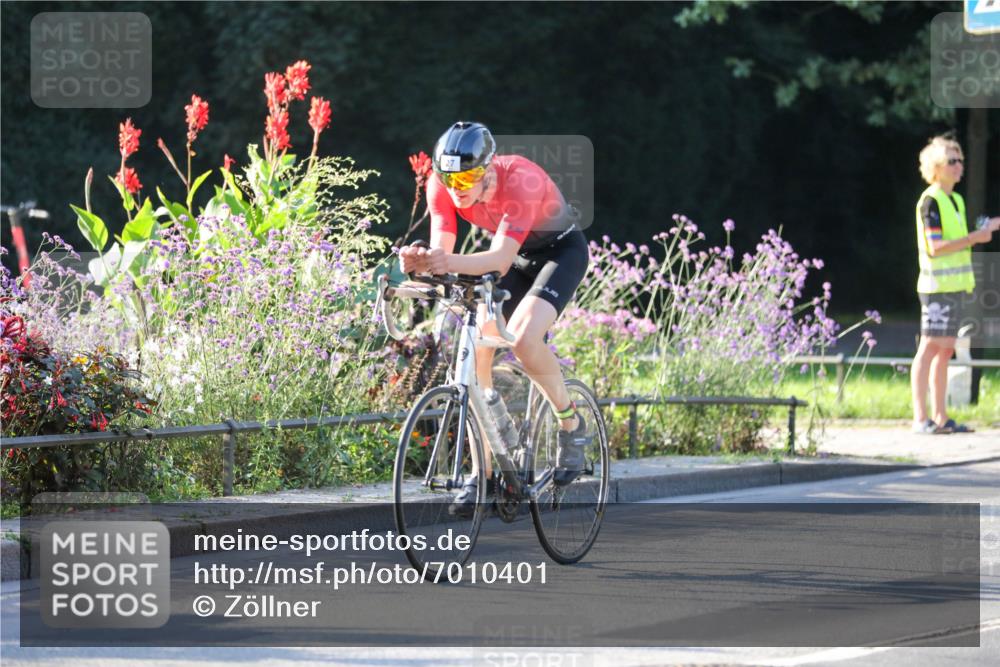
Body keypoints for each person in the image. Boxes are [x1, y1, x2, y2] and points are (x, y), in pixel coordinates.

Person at [398, 121, 590, 515]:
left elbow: (498, 260)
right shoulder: (443, 187)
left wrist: (441, 262)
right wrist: (417, 265)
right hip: (516, 259)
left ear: (488, 169)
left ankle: (572, 424)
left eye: (468, 176)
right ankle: (482, 474)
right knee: (476, 350)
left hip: (559, 253)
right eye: (449, 177)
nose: (458, 186)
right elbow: (443, 253)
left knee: (522, 339)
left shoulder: (520, 180)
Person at [910, 134, 999, 434]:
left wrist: (983, 230)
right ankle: (920, 418)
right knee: (929, 348)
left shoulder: (956, 200)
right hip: (936, 289)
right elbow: (936, 247)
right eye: (952, 160)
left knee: (946, 350)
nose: (959, 165)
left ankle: (940, 417)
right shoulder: (930, 201)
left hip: (956, 288)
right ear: (936, 166)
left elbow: (958, 242)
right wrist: (976, 237)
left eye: (961, 160)